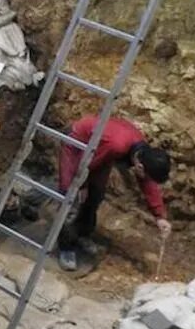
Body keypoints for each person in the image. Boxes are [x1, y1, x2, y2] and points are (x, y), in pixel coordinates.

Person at [56, 114, 171, 272]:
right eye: (145, 175)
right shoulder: (117, 145)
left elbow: (147, 181)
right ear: (140, 167)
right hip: (78, 142)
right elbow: (86, 163)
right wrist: (81, 185)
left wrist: (160, 216)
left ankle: (81, 234)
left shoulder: (143, 154)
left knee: (96, 194)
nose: (146, 179)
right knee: (70, 197)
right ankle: (66, 247)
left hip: (99, 148)